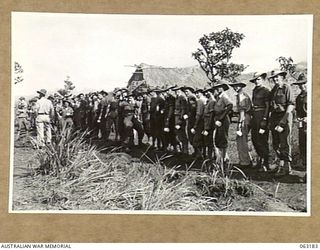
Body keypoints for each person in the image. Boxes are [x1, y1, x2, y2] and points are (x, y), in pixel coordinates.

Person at [269, 70, 295, 176]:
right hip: (275, 116)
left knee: (285, 142)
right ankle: (281, 164)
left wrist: (284, 120)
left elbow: (291, 104)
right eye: (274, 77)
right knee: (276, 142)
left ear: (281, 77)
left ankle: (287, 167)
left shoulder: (286, 87)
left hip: (285, 116)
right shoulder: (274, 89)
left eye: (277, 77)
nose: (275, 79)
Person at [250, 72, 271, 172]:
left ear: (262, 79)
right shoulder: (254, 90)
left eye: (258, 79)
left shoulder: (266, 90)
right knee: (255, 139)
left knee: (262, 139)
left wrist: (265, 119)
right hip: (255, 116)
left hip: (262, 115)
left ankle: (265, 163)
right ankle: (260, 159)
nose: (256, 81)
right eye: (255, 80)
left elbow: (267, 106)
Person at [229, 82, 252, 167]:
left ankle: (245, 161)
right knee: (243, 139)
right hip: (246, 117)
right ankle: (247, 159)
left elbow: (242, 110)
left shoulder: (241, 95)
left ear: (241, 86)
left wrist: (240, 123)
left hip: (244, 117)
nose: (235, 87)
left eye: (237, 86)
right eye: (234, 86)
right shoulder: (241, 94)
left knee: (241, 139)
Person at [212, 83, 233, 165]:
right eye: (217, 87)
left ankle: (224, 159)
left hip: (223, 119)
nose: (218, 89)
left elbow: (230, 105)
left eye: (219, 87)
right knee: (218, 138)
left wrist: (221, 118)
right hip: (218, 118)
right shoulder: (218, 97)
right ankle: (222, 157)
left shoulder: (224, 96)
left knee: (223, 138)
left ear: (223, 88)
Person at [292, 73, 307, 166]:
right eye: (300, 84)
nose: (302, 86)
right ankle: (305, 165)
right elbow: (297, 110)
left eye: (304, 83)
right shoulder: (298, 97)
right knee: (303, 144)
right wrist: (298, 118)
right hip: (302, 124)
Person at [191, 88, 206, 158]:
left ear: (201, 93)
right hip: (205, 121)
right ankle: (203, 153)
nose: (197, 94)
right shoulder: (205, 99)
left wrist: (195, 125)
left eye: (198, 93)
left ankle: (199, 154)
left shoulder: (200, 101)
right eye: (196, 93)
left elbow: (199, 114)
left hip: (201, 121)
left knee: (196, 139)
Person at [174, 86, 189, 154]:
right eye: (175, 91)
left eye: (177, 91)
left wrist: (180, 119)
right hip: (176, 117)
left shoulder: (182, 98)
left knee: (182, 134)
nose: (176, 92)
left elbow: (183, 109)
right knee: (178, 134)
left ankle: (185, 150)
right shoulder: (177, 98)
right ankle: (182, 149)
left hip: (180, 118)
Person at [202, 88, 216, 159]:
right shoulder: (208, 101)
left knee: (210, 141)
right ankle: (209, 156)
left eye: (207, 92)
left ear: (211, 92)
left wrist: (208, 127)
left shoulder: (212, 101)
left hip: (209, 124)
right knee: (207, 140)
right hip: (206, 123)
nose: (205, 93)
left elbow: (211, 115)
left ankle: (211, 157)